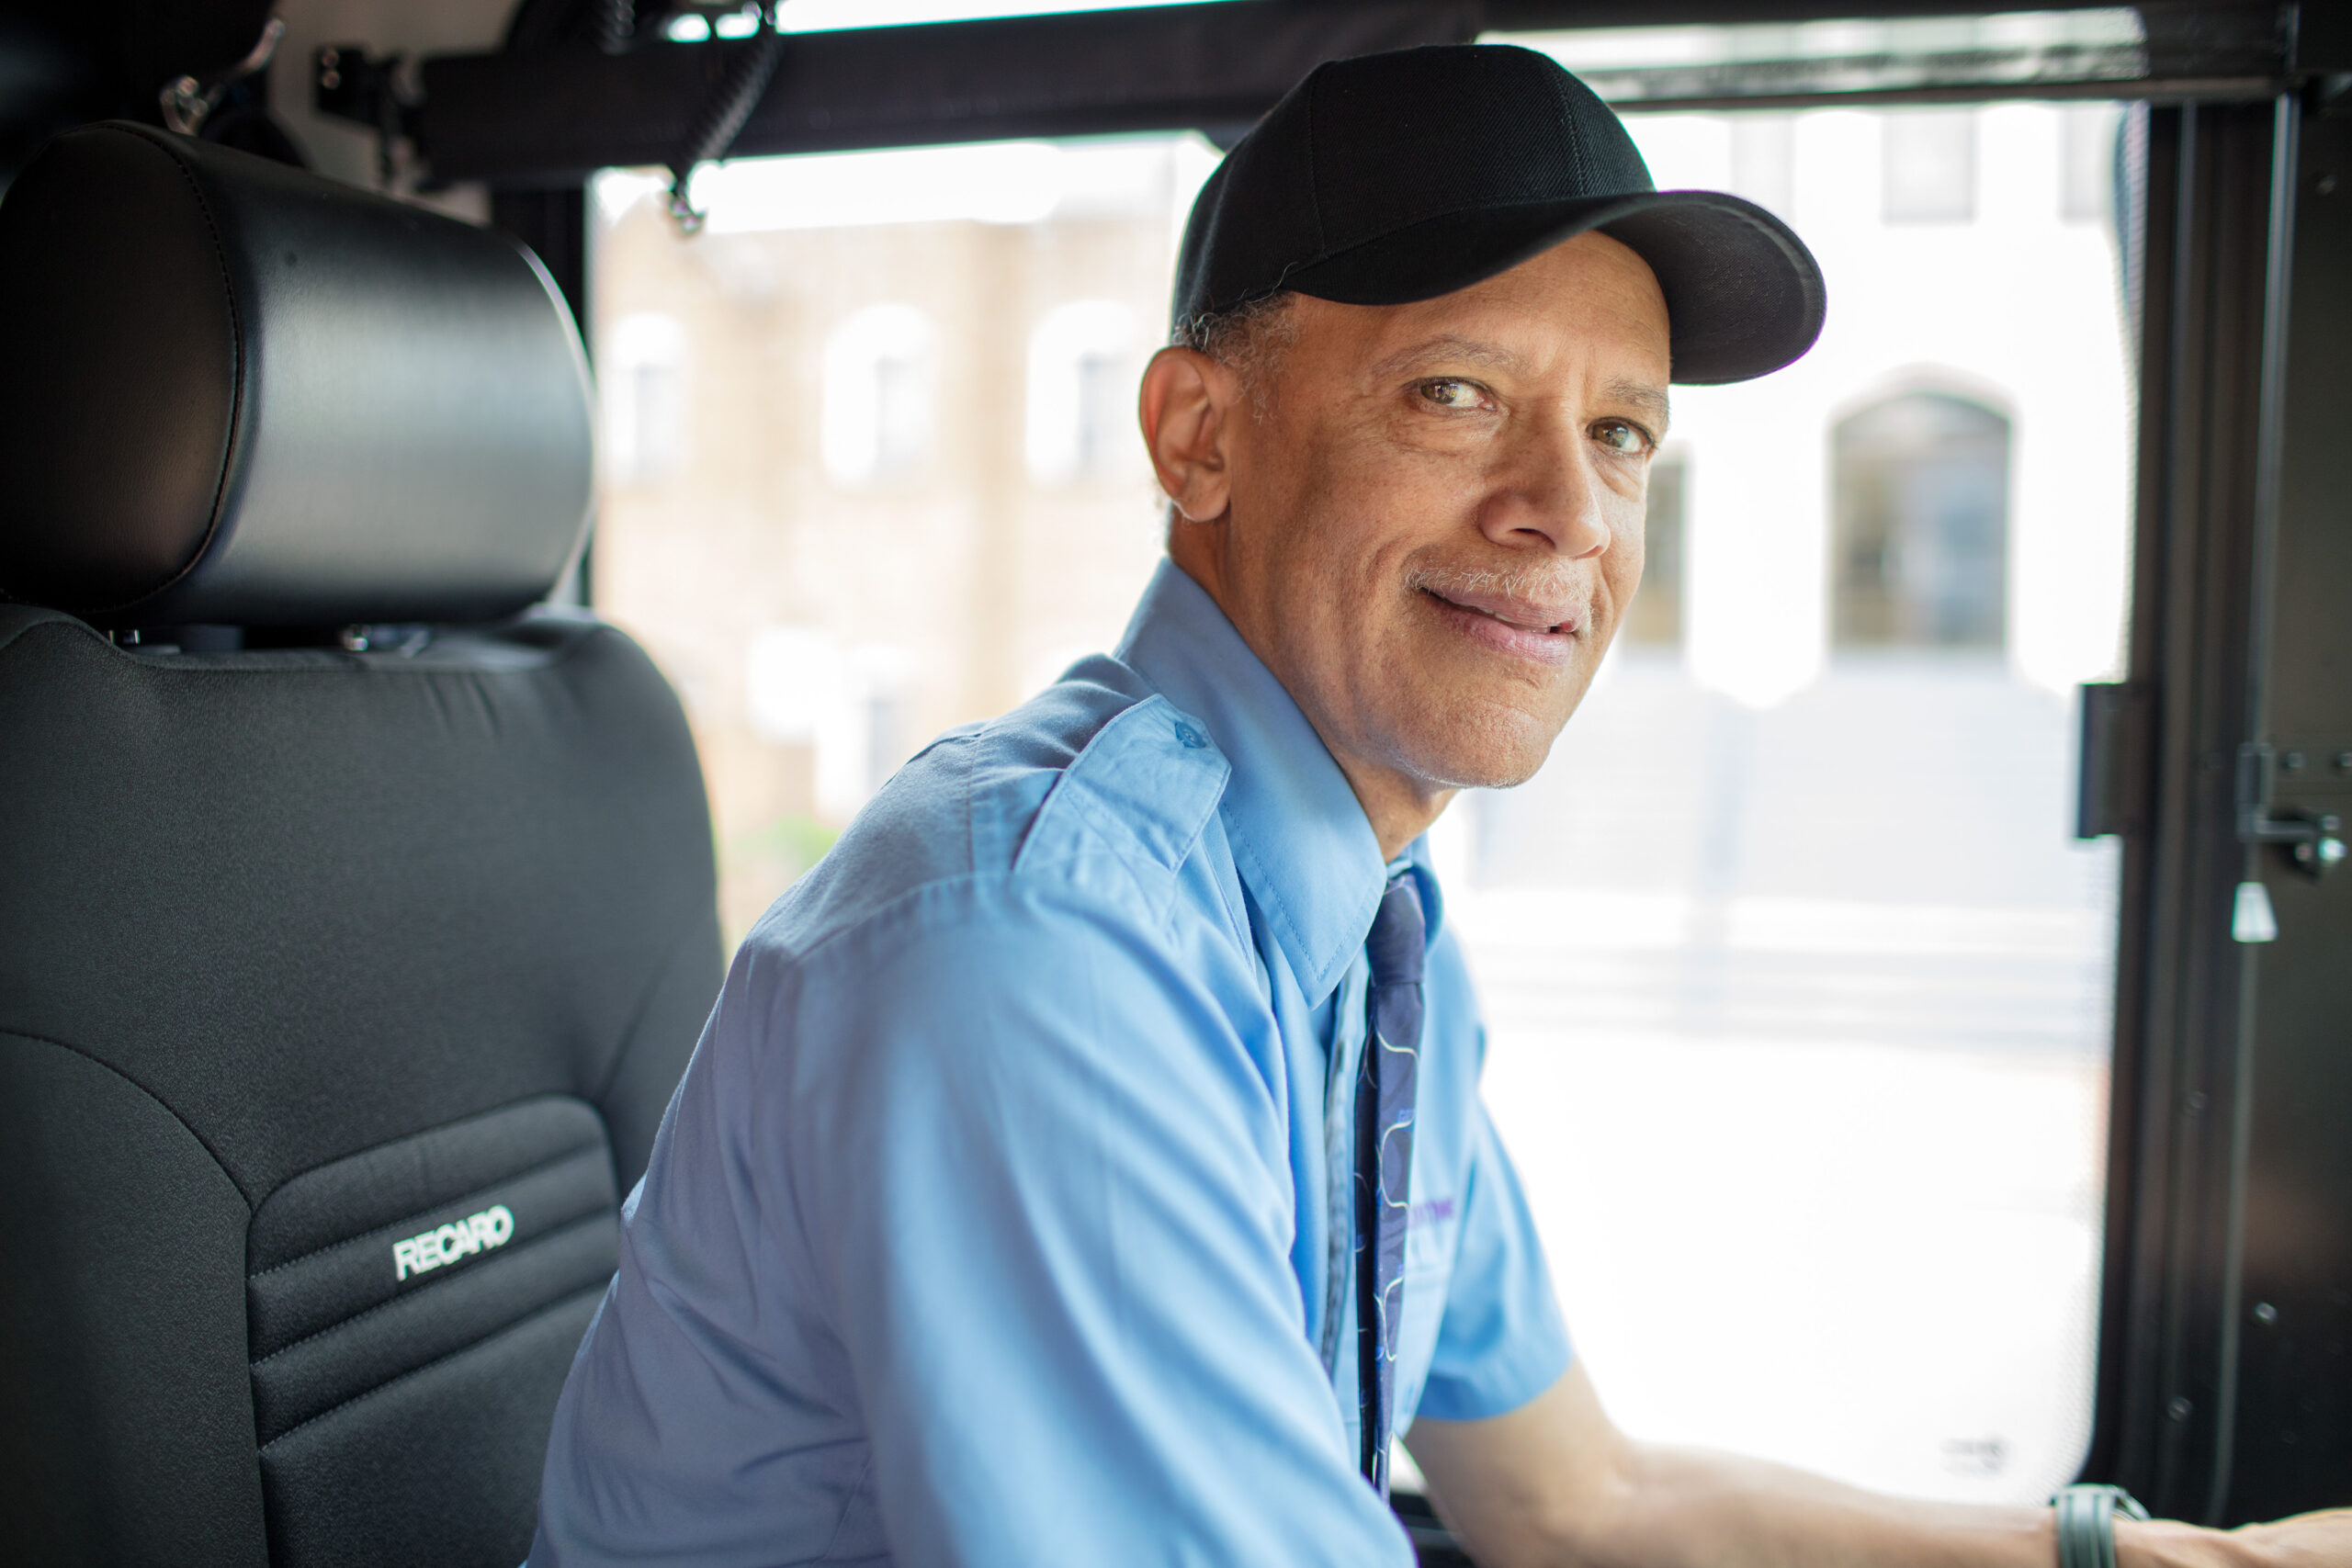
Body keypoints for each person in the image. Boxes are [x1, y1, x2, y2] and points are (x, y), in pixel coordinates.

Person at [531, 44, 2352, 1568]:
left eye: (1622, 433)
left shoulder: (1370, 927)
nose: (1566, 508)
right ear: (1197, 436)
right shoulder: (1038, 937)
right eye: (1458, 394)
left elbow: (1576, 1499)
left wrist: (2199, 1557)